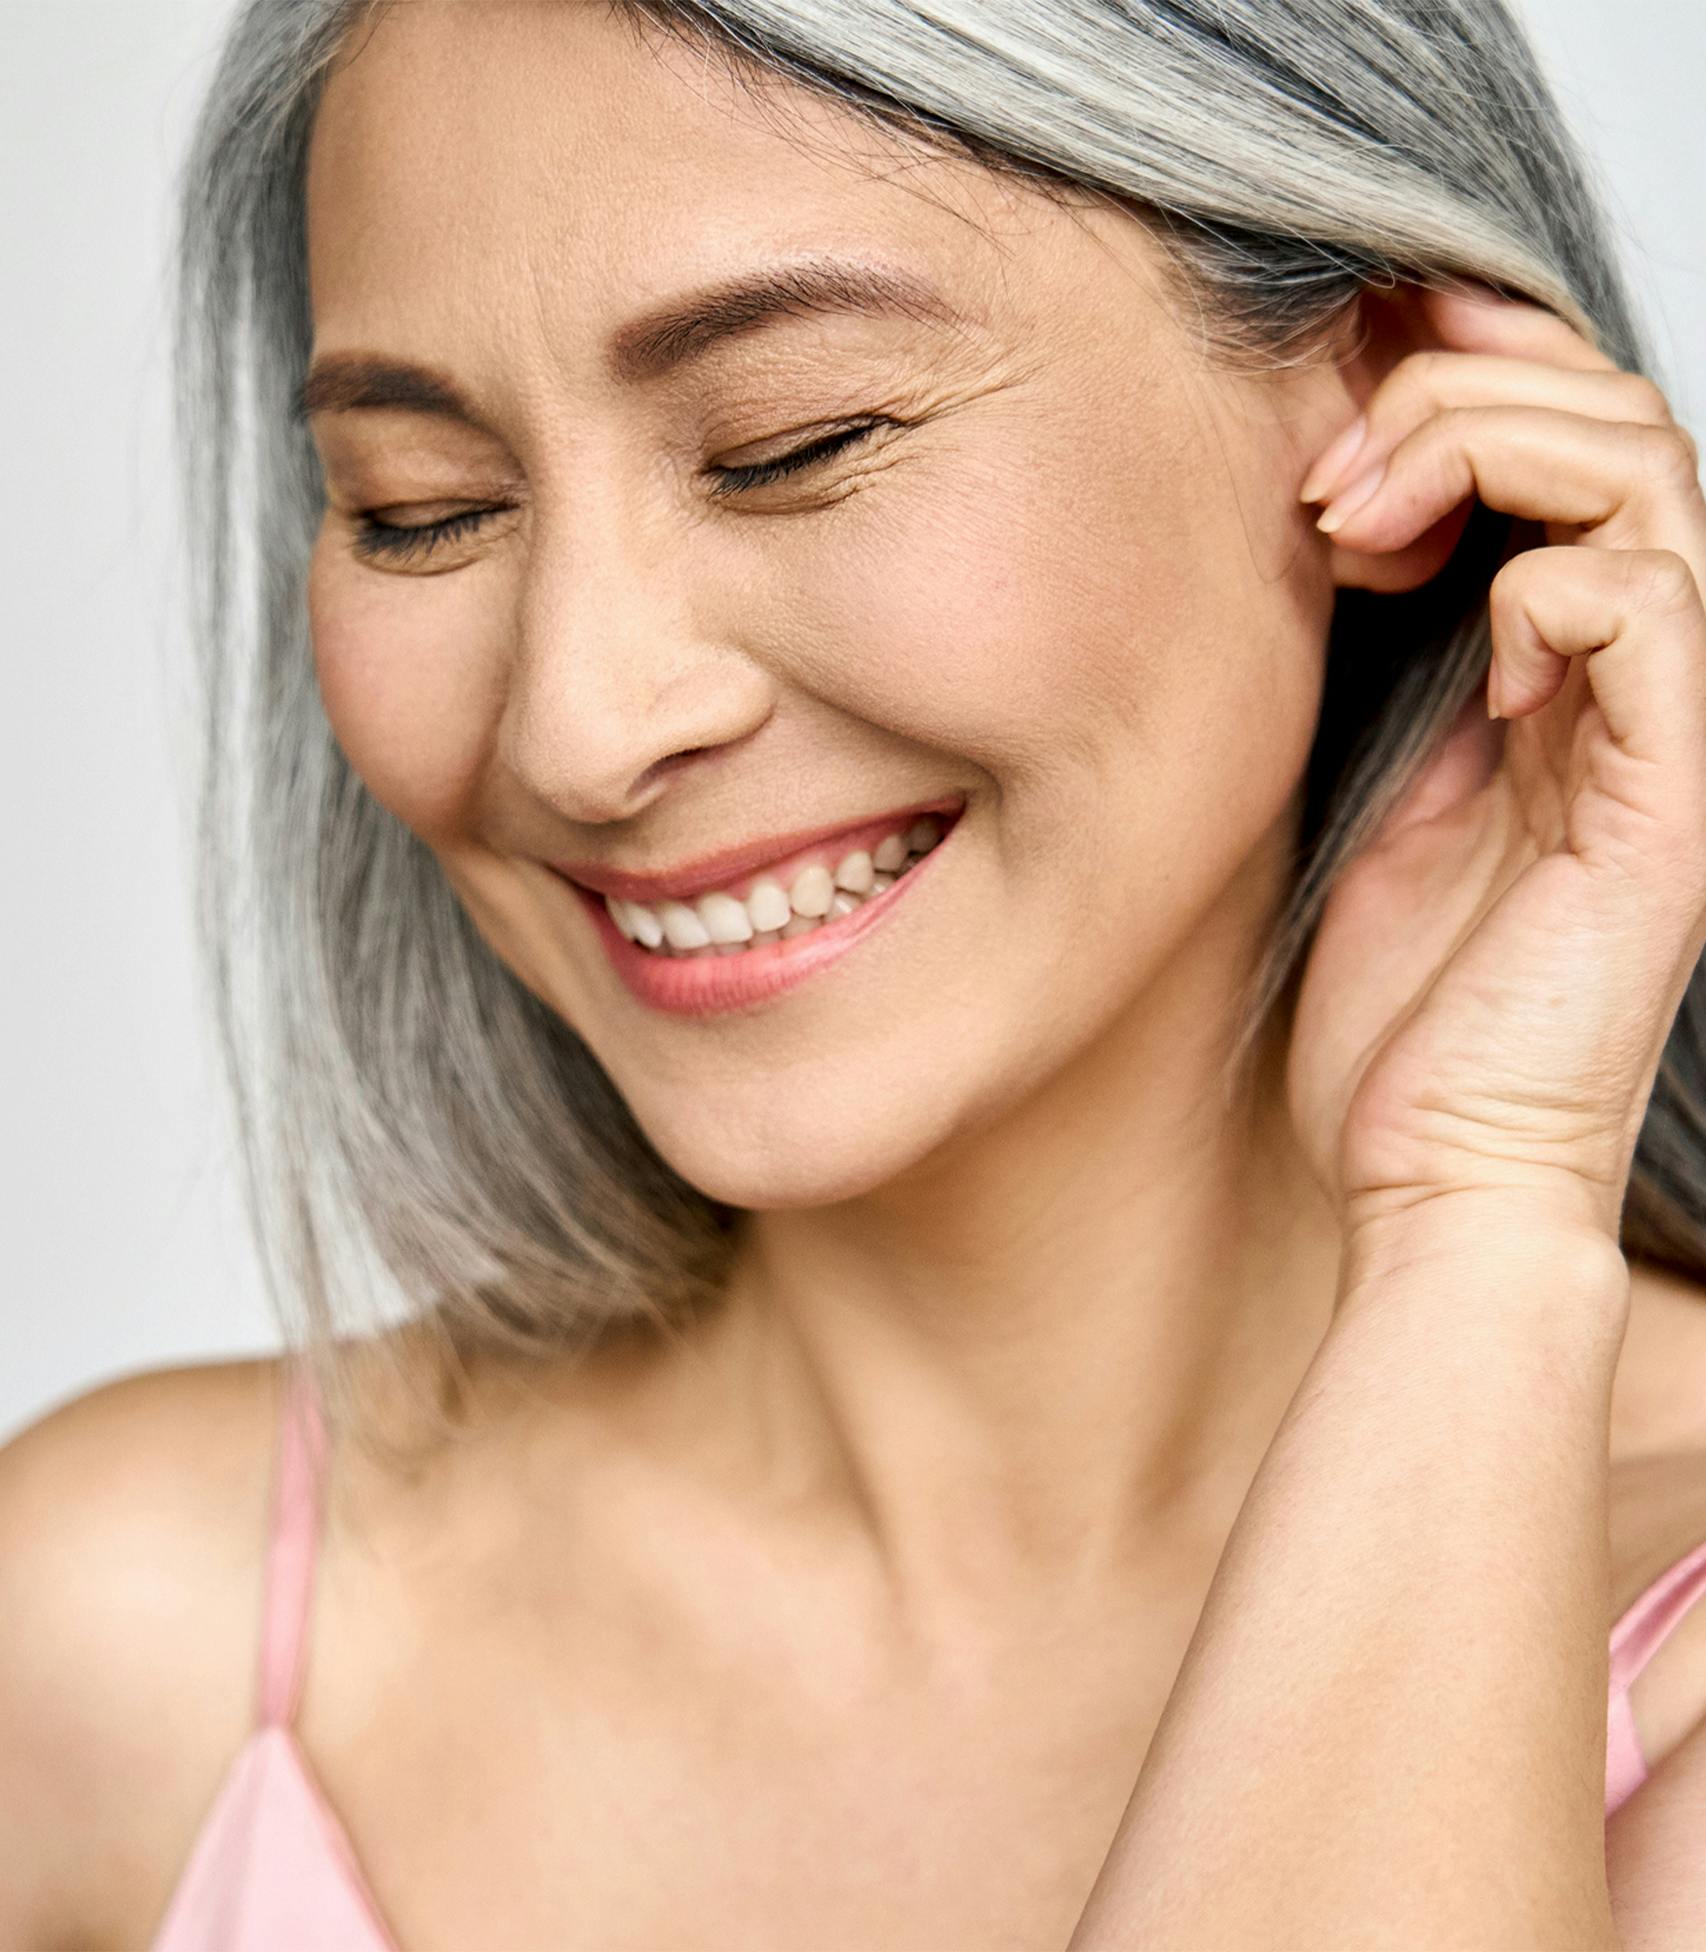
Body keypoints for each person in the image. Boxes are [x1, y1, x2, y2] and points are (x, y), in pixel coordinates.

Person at [4, 0, 1706, 1944]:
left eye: (791, 444)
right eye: (423, 507)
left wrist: (1475, 1221)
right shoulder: (120, 1644)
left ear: (1383, 393)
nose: (579, 725)